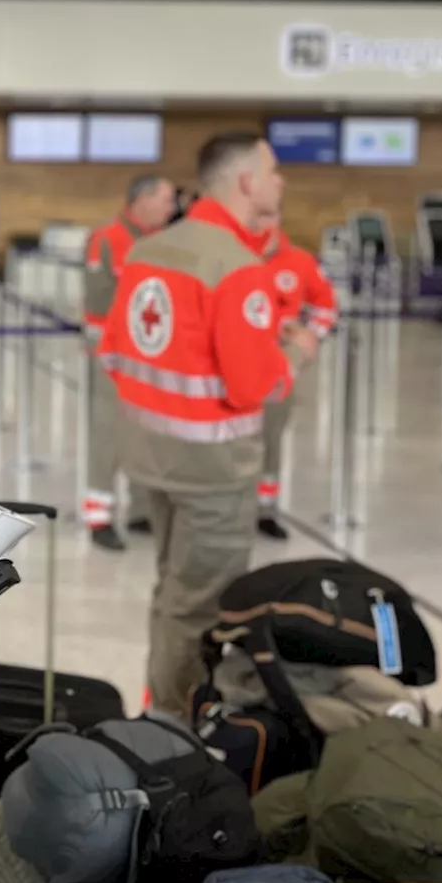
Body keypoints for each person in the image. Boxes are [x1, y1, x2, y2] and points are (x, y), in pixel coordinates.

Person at [98, 133, 320, 716]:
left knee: (173, 588)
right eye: (273, 170)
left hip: (152, 455)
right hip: (212, 472)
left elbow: (116, 355)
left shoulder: (150, 250)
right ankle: (175, 726)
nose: (281, 181)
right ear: (246, 181)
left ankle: (159, 701)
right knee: (201, 606)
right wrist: (296, 351)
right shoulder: (238, 268)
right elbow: (257, 387)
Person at [81, 174, 177, 550]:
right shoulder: (106, 239)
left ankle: (141, 509)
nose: (172, 208)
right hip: (113, 356)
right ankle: (98, 514)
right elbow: (98, 300)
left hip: (153, 357)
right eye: (166, 199)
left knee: (150, 434)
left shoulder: (166, 244)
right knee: (109, 434)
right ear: (143, 199)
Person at [253, 217, 339, 540]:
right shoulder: (232, 256)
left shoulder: (300, 262)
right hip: (235, 360)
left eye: (269, 219)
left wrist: (307, 342)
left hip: (278, 365)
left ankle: (264, 509)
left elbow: (326, 306)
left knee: (271, 438)